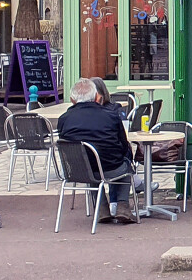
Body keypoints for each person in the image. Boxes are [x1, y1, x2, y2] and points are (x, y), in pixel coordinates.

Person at [57, 77, 138, 224]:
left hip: (77, 171)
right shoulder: (111, 116)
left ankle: (101, 208)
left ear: (72, 99)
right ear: (97, 97)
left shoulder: (64, 119)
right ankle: (122, 206)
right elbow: (123, 144)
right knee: (125, 164)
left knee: (87, 162)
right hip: (111, 167)